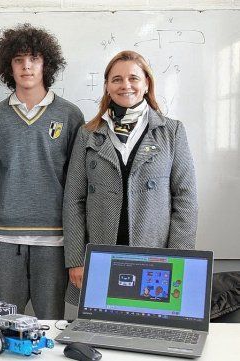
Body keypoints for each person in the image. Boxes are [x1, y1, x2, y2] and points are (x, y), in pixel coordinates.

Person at [63, 50, 198, 304]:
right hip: (100, 255)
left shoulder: (171, 131)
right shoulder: (88, 134)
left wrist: (177, 260)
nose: (126, 85)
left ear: (146, 84)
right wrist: (76, 260)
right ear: (107, 86)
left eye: (133, 78)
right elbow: (73, 200)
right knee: (98, 329)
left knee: (146, 329)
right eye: (117, 79)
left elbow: (186, 199)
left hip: (154, 257)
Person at [0, 24, 84, 319]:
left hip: (54, 239)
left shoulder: (70, 115)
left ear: (46, 64)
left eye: (34, 58)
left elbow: (77, 178)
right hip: (4, 237)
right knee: (4, 324)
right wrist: (1, 197)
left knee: (49, 323)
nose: (26, 66)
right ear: (8, 66)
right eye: (18, 60)